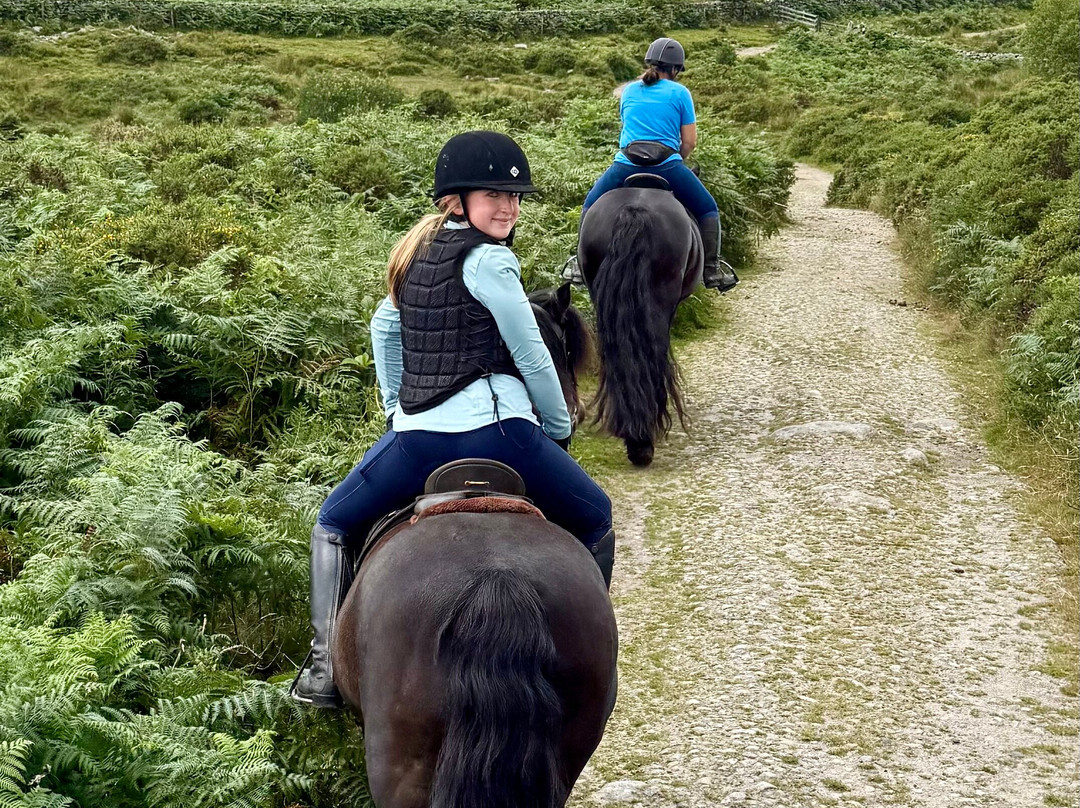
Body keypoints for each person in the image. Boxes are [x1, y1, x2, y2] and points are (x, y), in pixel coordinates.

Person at [291, 131, 616, 709]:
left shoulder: (414, 254)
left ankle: (321, 668)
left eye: (516, 198)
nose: (509, 207)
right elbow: (533, 353)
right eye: (494, 195)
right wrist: (558, 426)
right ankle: (589, 663)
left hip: (417, 441)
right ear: (457, 199)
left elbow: (383, 331)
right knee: (596, 516)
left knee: (334, 523)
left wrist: (397, 408)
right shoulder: (492, 260)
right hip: (505, 437)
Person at [576, 37, 730, 291]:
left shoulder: (629, 90)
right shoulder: (680, 93)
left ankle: (577, 265)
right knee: (707, 208)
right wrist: (677, 159)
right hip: (666, 166)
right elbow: (689, 142)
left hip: (626, 164)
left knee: (590, 204)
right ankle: (711, 270)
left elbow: (627, 128)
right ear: (675, 69)